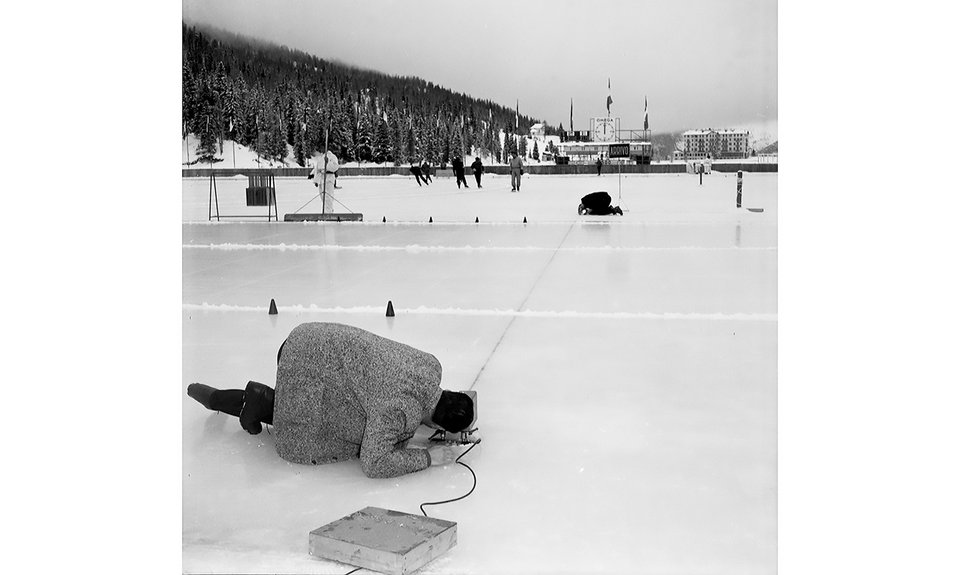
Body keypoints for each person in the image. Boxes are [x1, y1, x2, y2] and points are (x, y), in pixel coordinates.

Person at [187, 322, 479, 479]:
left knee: (348, 407)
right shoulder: (399, 411)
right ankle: (255, 401)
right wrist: (429, 457)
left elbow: (415, 401)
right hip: (313, 375)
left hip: (308, 340)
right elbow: (375, 462)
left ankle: (235, 398)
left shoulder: (430, 366)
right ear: (437, 422)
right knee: (324, 430)